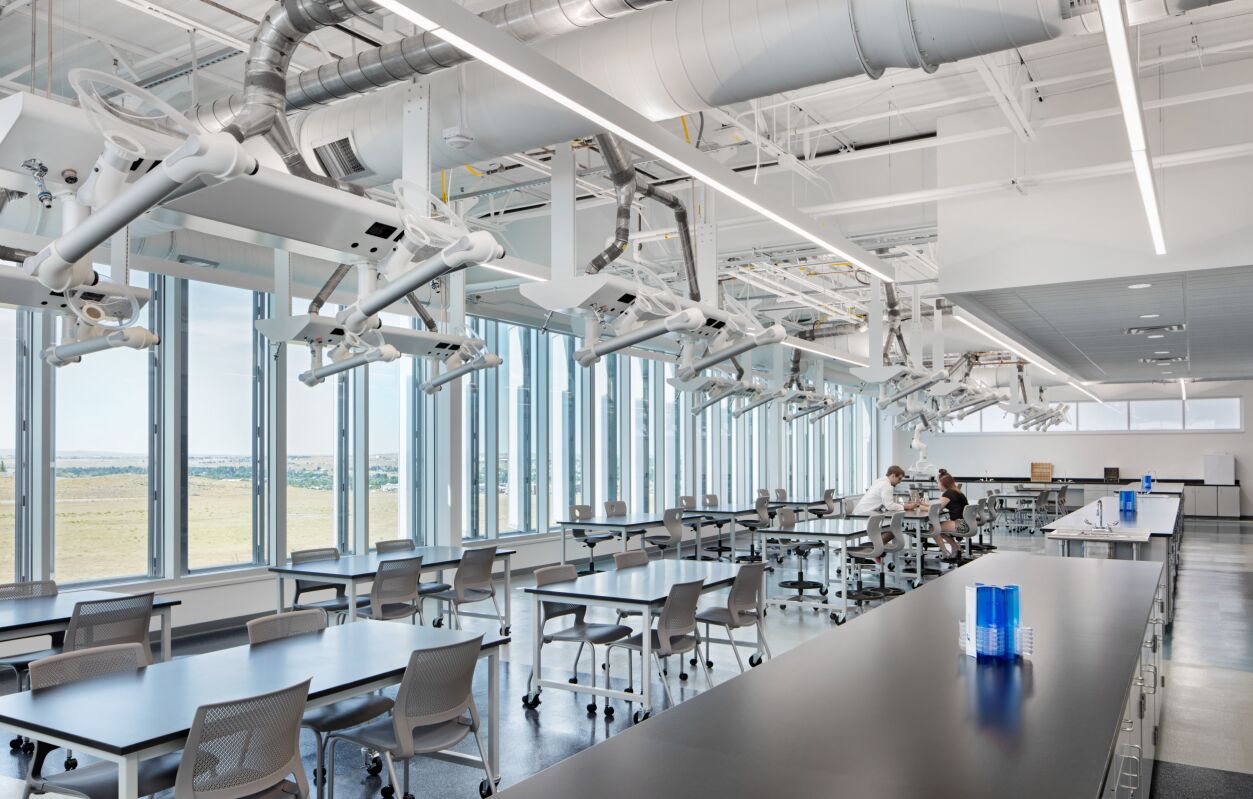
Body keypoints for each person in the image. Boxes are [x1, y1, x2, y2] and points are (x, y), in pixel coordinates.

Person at [853, 465, 925, 516]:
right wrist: (907, 506)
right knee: (894, 528)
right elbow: (889, 506)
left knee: (893, 528)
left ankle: (877, 538)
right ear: (893, 475)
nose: (899, 482)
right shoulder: (886, 485)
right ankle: (876, 538)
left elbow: (887, 503)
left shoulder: (881, 481)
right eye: (899, 479)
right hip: (863, 514)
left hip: (863, 512)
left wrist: (904, 505)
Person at [933, 473, 971, 561]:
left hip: (961, 524)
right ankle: (954, 547)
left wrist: (919, 506)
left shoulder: (948, 493)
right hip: (967, 523)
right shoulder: (956, 491)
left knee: (934, 528)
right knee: (938, 528)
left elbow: (936, 508)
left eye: (938, 482)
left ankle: (946, 553)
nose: (937, 485)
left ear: (943, 483)